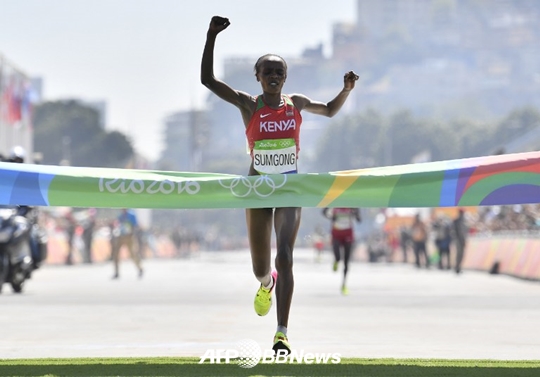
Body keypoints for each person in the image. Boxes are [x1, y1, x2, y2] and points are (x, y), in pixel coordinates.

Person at [201, 15, 358, 354]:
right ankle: (265, 283)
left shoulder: (296, 104)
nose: (273, 77)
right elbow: (208, 80)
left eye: (279, 72)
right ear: (257, 77)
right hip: (257, 189)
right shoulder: (249, 104)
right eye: (267, 72)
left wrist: (344, 91)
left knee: (285, 256)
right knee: (261, 268)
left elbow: (330, 110)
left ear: (285, 78)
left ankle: (282, 333)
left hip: (289, 188)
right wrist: (211, 36)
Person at [322, 208, 361, 295]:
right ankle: (336, 261)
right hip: (336, 233)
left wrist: (356, 213)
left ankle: (344, 285)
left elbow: (359, 220)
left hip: (348, 234)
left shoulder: (352, 205)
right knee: (338, 257)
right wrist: (331, 217)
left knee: (346, 262)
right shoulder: (336, 202)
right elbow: (324, 212)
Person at [111, 209, 143, 279]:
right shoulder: (120, 216)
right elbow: (117, 225)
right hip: (120, 236)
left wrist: (133, 234)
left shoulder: (131, 215)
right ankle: (116, 272)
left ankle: (140, 269)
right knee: (116, 254)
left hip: (129, 237)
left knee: (133, 254)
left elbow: (135, 225)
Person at [453, 209, 468, 274]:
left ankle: (458, 267)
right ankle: (457, 267)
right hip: (459, 239)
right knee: (459, 254)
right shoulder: (458, 221)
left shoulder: (461, 221)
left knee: (460, 254)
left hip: (460, 239)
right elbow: (460, 232)